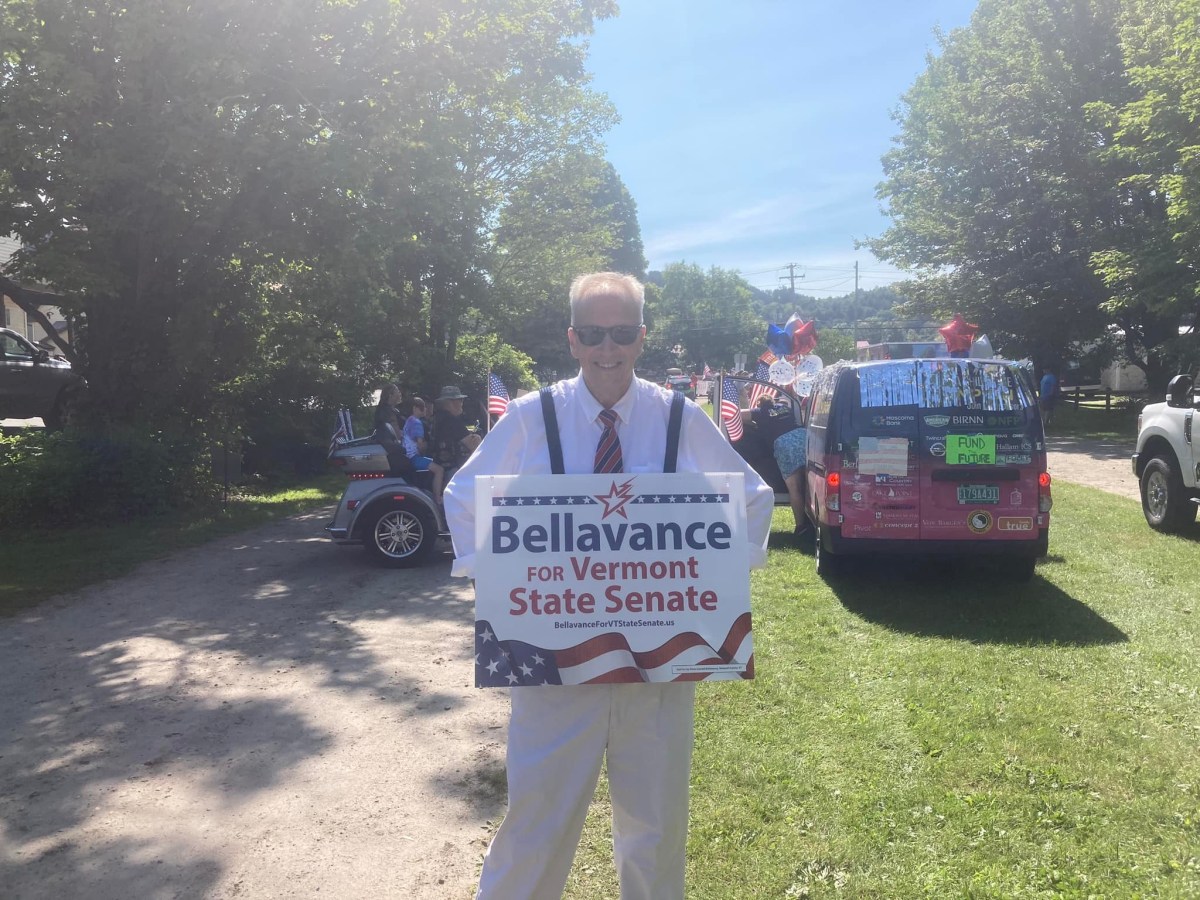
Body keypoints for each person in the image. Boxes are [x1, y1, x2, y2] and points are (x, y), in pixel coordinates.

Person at [443, 272, 774, 900]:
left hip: (658, 665)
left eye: (621, 333)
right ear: (572, 339)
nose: (607, 348)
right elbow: (462, 497)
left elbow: (753, 499)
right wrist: (510, 581)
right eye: (592, 334)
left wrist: (708, 577)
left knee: (655, 826)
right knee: (536, 821)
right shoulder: (532, 416)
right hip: (552, 663)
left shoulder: (677, 416)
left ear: (641, 337)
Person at [429, 385, 483, 478]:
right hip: (454, 472)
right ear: (450, 402)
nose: (462, 403)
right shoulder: (451, 420)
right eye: (460, 400)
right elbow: (472, 444)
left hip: (439, 468)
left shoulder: (436, 419)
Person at [372, 383, 415, 480]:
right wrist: (402, 448)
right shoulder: (385, 412)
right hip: (393, 453)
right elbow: (388, 433)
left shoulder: (393, 410)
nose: (400, 394)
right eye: (397, 391)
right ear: (390, 395)